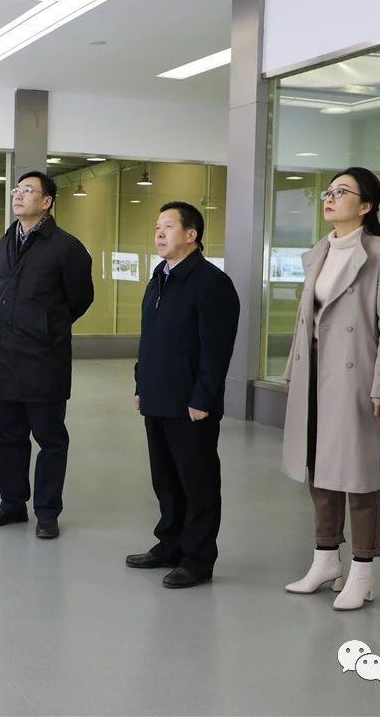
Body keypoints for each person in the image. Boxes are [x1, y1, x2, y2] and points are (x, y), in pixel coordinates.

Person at [281, 167, 380, 611]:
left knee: (361, 476)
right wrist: (292, 372)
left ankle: (363, 572)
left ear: (366, 205)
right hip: (315, 374)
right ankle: (325, 559)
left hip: (358, 378)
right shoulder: (319, 251)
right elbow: (305, 320)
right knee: (319, 467)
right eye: (328, 192)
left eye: (342, 192)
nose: (330, 198)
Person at [126, 202, 239, 589]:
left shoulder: (211, 283)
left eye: (169, 227)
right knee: (166, 480)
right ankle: (170, 544)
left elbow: (216, 349)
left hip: (191, 405)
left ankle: (198, 558)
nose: (159, 233)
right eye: (157, 226)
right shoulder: (159, 277)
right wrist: (141, 385)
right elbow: (149, 340)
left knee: (197, 482)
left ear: (191, 235)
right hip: (157, 397)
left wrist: (203, 398)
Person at [0, 171, 94, 540]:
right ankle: (12, 503)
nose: (18, 195)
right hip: (6, 353)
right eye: (17, 189)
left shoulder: (67, 247)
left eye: (28, 190)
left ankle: (47, 512)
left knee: (50, 438)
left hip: (45, 357)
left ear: (46, 202)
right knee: (7, 436)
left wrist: (46, 325)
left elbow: (81, 298)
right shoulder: (6, 241)